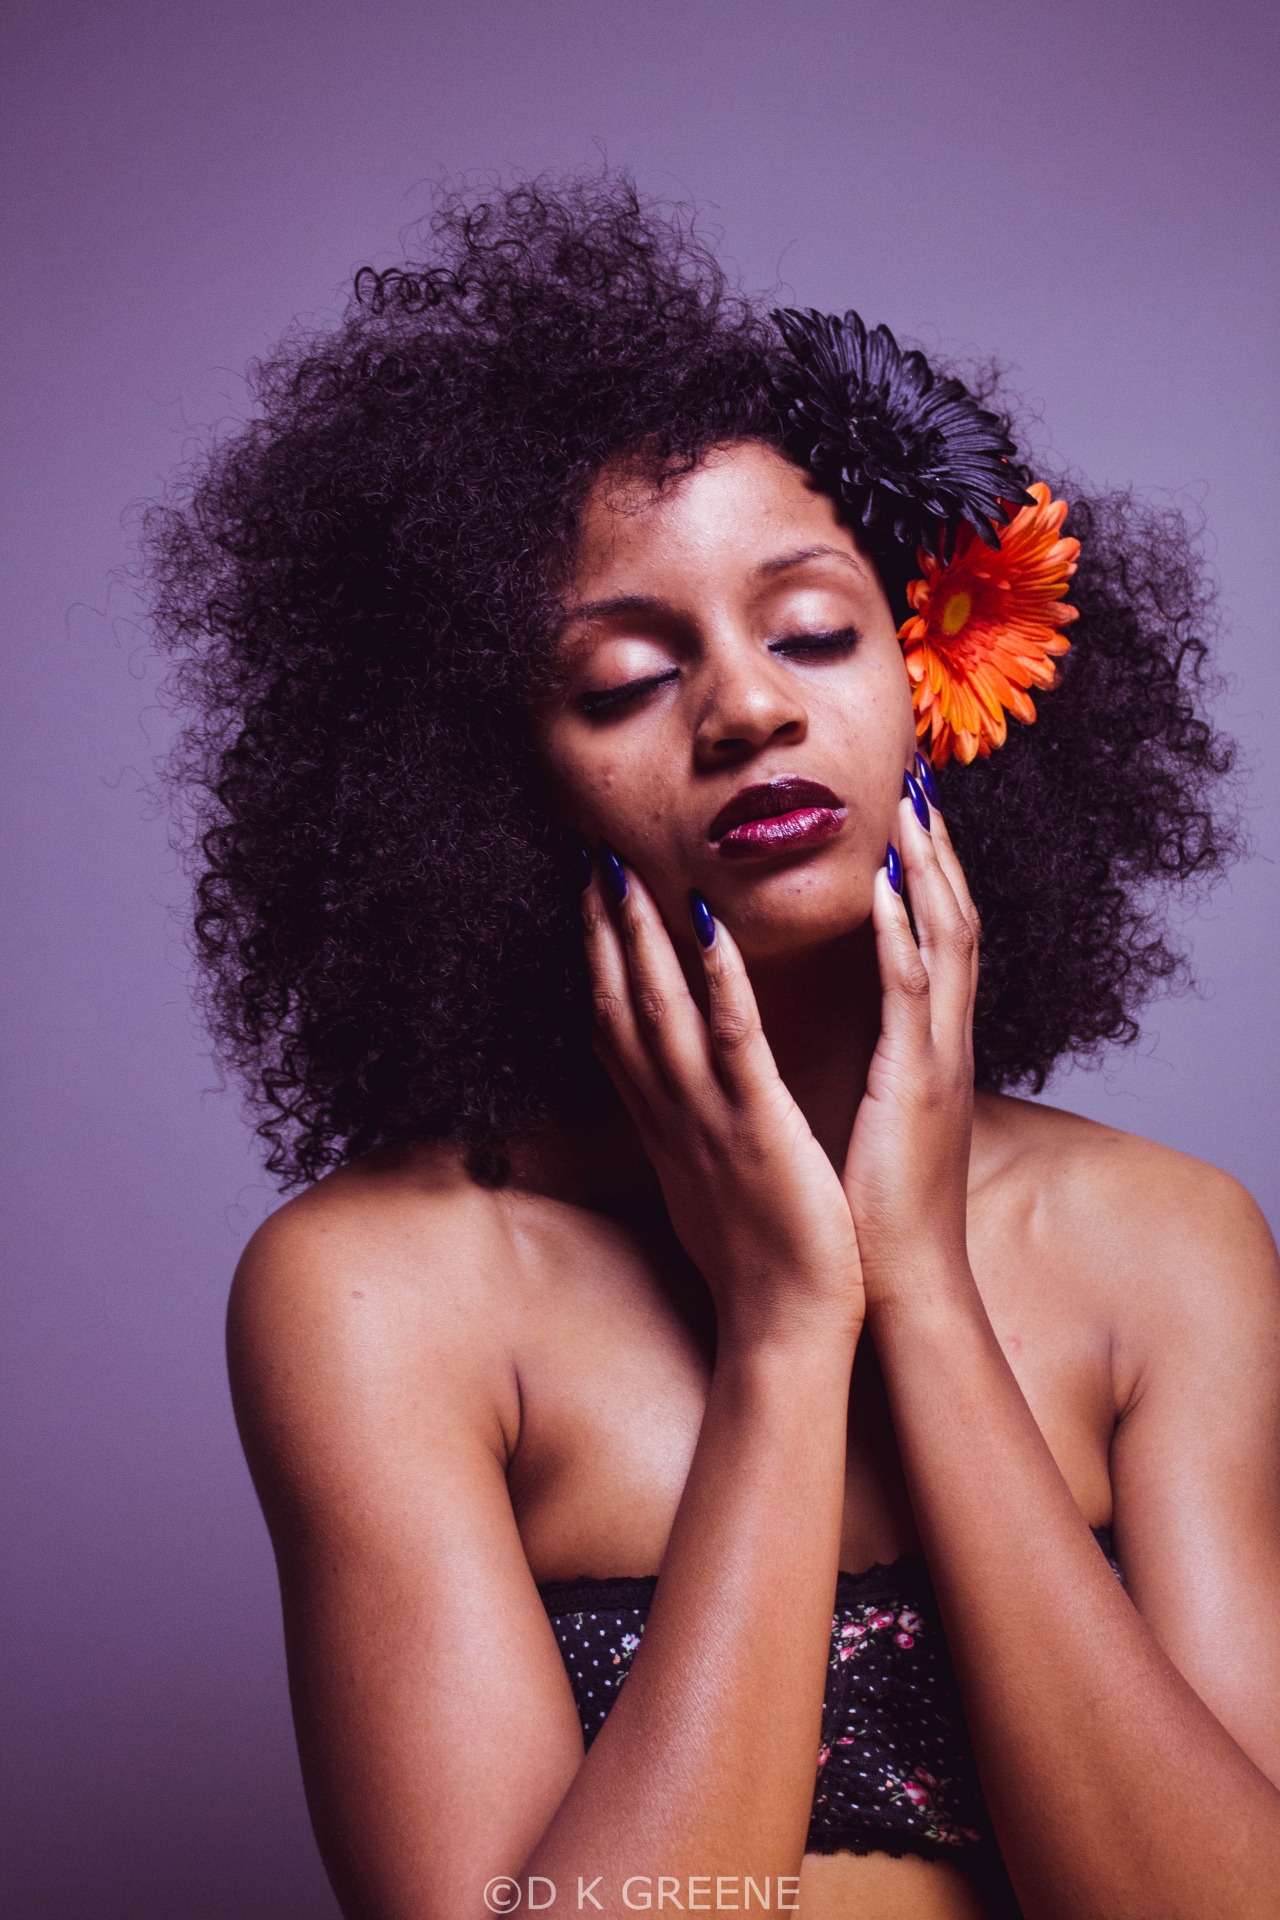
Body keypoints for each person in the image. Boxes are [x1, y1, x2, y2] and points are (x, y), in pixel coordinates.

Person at [146, 176, 1280, 1919]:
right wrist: (783, 1332)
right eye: (621, 679)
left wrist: (920, 1283)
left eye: (816, 632)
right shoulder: (376, 1296)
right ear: (481, 786)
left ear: (936, 671)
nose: (750, 707)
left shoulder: (1171, 1248)